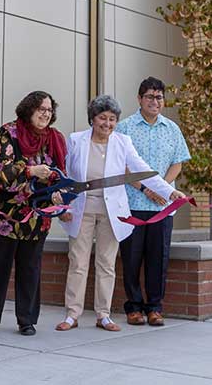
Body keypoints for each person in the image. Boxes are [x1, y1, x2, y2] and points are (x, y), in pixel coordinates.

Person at [56, 95, 184, 333]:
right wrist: (62, 206)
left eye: (112, 119)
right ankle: (72, 314)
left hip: (111, 212)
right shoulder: (76, 140)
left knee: (106, 264)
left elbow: (142, 170)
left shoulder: (123, 142)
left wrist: (169, 192)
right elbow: (64, 176)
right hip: (81, 210)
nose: (107, 123)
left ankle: (103, 315)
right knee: (78, 263)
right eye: (102, 118)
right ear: (92, 119)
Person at [0, 91, 67, 336]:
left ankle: (26, 320)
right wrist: (32, 171)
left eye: (49, 109)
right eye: (41, 108)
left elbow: (58, 174)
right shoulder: (8, 132)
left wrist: (59, 194)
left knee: (30, 269)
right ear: (28, 109)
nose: (46, 113)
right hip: (3, 215)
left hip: (36, 217)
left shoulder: (53, 138)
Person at [117, 77, 190, 326]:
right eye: (149, 96)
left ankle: (155, 308)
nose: (154, 101)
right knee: (132, 259)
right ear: (139, 99)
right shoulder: (124, 127)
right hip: (133, 204)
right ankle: (134, 308)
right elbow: (122, 166)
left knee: (158, 260)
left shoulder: (171, 128)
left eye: (159, 96)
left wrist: (165, 188)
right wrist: (147, 189)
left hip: (163, 207)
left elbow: (178, 162)